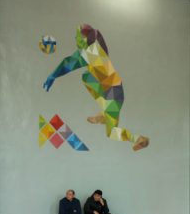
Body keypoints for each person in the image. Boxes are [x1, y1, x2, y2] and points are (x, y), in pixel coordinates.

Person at [42, 23, 149, 151]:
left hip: (113, 94)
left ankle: (138, 139)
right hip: (114, 91)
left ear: (84, 40)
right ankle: (103, 115)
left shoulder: (91, 53)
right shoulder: (95, 50)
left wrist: (53, 75)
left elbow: (68, 63)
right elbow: (70, 61)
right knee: (86, 77)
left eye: (77, 38)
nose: (75, 40)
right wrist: (53, 75)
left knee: (111, 132)